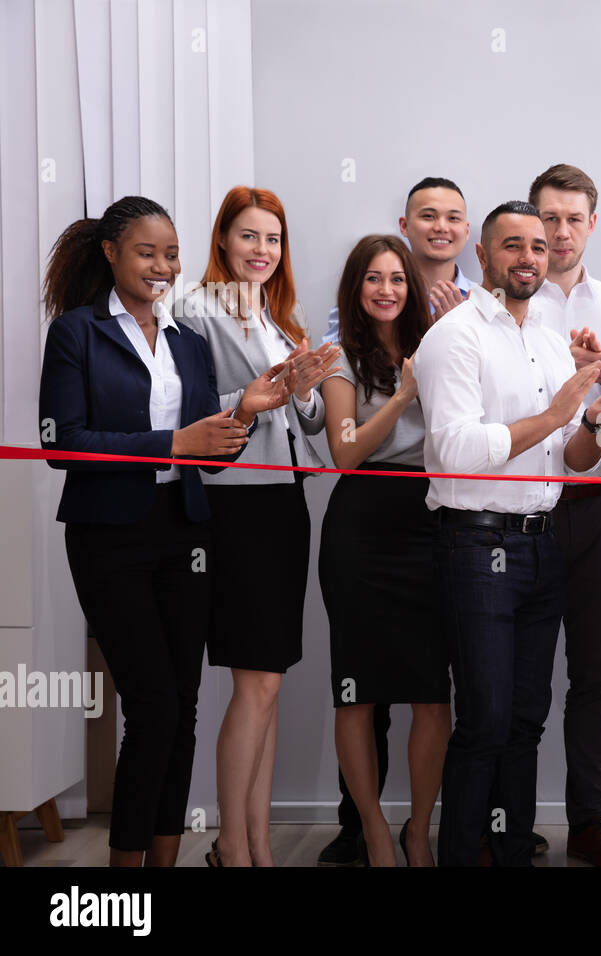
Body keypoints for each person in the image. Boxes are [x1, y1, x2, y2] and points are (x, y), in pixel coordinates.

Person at [37, 196, 290, 866]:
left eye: (172, 253)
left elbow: (210, 445)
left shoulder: (185, 340)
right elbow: (63, 442)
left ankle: (163, 865)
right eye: (147, 251)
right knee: (151, 710)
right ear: (111, 253)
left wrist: (248, 408)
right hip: (109, 535)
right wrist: (174, 442)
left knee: (181, 709)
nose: (163, 265)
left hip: (184, 533)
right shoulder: (77, 334)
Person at [414, 200, 601, 867]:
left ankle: (512, 853)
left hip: (542, 544)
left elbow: (568, 457)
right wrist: (558, 412)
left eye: (539, 247)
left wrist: (594, 422)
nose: (529, 259)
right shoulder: (453, 337)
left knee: (523, 722)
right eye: (512, 246)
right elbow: (455, 449)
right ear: (481, 256)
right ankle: (461, 855)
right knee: (483, 721)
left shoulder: (546, 335)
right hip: (475, 545)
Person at [178, 186, 341, 867]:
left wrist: (304, 389)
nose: (262, 251)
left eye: (272, 240)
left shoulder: (279, 317)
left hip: (283, 502)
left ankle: (254, 845)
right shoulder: (195, 308)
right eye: (249, 237)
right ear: (223, 241)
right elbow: (188, 409)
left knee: (268, 681)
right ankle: (233, 848)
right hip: (237, 504)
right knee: (256, 683)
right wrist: (245, 402)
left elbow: (304, 426)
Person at [316, 176, 472, 867]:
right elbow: (346, 449)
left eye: (395, 279)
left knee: (431, 696)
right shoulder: (338, 356)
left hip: (430, 522)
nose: (386, 290)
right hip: (361, 528)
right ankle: (374, 831)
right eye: (373, 280)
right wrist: (403, 392)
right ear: (356, 289)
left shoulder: (439, 344)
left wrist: (430, 363)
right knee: (357, 689)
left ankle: (418, 829)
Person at [528, 163, 601, 865]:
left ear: (592, 225)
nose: (561, 231)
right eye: (549, 218)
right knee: (520, 675)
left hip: (600, 508)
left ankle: (590, 823)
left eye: (574, 219)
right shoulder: (503, 305)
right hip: (523, 512)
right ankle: (504, 822)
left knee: (596, 672)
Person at [322, 176, 472, 346]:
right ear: (404, 226)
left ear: (466, 231)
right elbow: (334, 362)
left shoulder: (481, 301)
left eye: (453, 218)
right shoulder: (374, 296)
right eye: (429, 216)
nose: (441, 227)